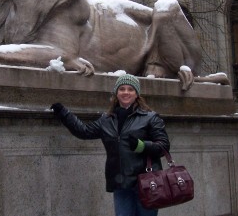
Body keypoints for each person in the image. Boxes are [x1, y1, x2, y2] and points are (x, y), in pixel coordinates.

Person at [50, 74, 170, 216]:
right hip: (120, 183)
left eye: (130, 89)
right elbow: (84, 131)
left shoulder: (150, 117)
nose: (126, 92)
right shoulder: (106, 120)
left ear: (137, 94)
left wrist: (141, 145)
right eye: (122, 89)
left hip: (146, 183)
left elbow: (163, 146)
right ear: (116, 93)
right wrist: (63, 113)